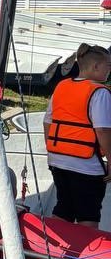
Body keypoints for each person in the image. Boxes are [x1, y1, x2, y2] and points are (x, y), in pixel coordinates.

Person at [43, 43, 111, 227]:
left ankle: (52, 249)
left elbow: (47, 121)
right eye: (108, 65)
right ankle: (81, 256)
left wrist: (52, 151)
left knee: (63, 208)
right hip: (86, 164)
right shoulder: (100, 92)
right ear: (96, 66)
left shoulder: (61, 86)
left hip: (58, 161)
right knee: (88, 215)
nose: (109, 70)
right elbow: (103, 130)